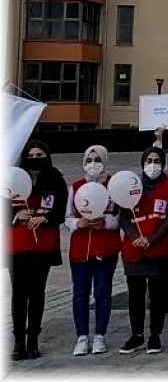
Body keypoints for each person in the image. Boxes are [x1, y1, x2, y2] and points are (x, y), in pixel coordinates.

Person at [118, 148, 168, 355]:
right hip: (134, 250)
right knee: (135, 295)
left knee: (157, 296)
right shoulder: (132, 185)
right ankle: (136, 334)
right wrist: (134, 237)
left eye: (157, 161)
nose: (152, 165)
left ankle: (155, 335)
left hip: (159, 249)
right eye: (148, 161)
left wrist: (152, 239)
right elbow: (123, 216)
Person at [9, 141, 67, 360]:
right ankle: (18, 341)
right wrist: (16, 216)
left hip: (43, 245)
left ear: (47, 155)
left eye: (39, 154)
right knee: (19, 294)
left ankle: (33, 338)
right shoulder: (13, 178)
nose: (35, 158)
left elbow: (60, 211)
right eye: (31, 155)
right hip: (17, 245)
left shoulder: (56, 178)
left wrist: (45, 218)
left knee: (36, 293)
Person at [67, 145, 121, 356]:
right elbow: (67, 217)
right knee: (80, 294)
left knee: (102, 293)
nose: (93, 164)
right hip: (80, 250)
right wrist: (77, 223)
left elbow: (119, 217)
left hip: (105, 249)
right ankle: (81, 336)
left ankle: (100, 335)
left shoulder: (113, 186)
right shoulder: (76, 186)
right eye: (89, 160)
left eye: (97, 160)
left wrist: (105, 223)